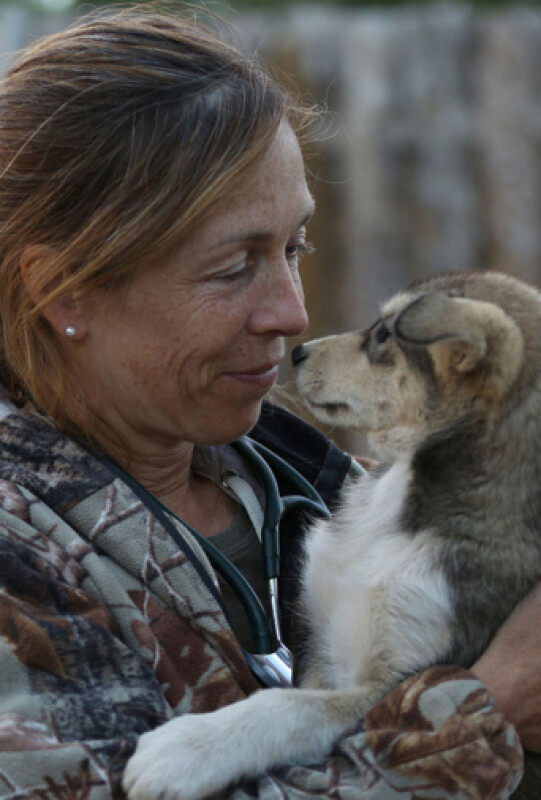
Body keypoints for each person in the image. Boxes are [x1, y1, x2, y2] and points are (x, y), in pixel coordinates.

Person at [0, 7, 538, 798]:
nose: (293, 313)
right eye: (233, 267)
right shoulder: (21, 560)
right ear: (62, 290)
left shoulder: (313, 480)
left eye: (295, 248)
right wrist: (484, 712)